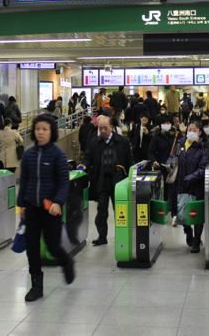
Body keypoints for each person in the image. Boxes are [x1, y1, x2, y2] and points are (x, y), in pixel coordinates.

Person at [17, 114, 75, 302]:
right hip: (32, 208)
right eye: (38, 129)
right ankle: (36, 286)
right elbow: (24, 180)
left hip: (51, 209)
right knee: (32, 248)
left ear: (52, 131)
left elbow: (64, 182)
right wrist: (21, 204)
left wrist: (58, 202)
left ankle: (66, 262)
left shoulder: (58, 154)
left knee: (52, 245)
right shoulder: (28, 154)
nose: (40, 132)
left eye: (45, 129)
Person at [78, 115, 132, 246]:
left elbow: (129, 161)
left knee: (120, 212)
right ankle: (102, 237)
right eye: (100, 128)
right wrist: (83, 165)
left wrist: (129, 178)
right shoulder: (94, 142)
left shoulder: (123, 141)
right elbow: (88, 157)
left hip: (118, 182)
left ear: (112, 127)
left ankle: (122, 236)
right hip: (101, 181)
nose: (102, 131)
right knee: (101, 212)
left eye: (105, 128)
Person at [175, 121, 209, 253]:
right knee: (182, 213)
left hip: (197, 185)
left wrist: (191, 177)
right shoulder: (180, 143)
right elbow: (173, 157)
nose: (191, 131)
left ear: (200, 132)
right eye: (189, 129)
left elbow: (202, 168)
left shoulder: (204, 147)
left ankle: (196, 240)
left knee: (197, 214)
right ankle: (188, 231)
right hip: (181, 184)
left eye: (194, 130)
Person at [148, 115, 181, 225]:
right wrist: (154, 161)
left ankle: (174, 214)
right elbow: (151, 151)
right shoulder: (156, 137)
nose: (166, 125)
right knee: (163, 191)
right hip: (161, 167)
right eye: (164, 123)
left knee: (173, 191)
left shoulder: (176, 135)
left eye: (168, 122)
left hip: (174, 168)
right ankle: (163, 211)